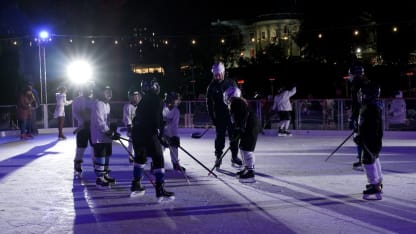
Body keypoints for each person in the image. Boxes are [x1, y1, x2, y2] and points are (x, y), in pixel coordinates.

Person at [130, 78, 174, 201]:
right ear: (154, 87)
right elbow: (156, 119)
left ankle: (136, 184)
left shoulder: (143, 101)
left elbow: (137, 119)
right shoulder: (157, 100)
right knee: (158, 158)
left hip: (137, 133)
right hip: (149, 133)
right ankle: (160, 189)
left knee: (140, 158)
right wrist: (161, 136)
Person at [206, 61, 242, 169]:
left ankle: (234, 156)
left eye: (219, 74)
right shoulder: (211, 87)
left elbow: (238, 97)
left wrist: (238, 114)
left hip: (231, 115)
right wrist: (213, 118)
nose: (217, 76)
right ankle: (218, 157)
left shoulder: (231, 83)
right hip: (219, 116)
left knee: (234, 137)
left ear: (223, 72)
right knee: (219, 138)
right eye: (215, 74)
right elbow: (209, 104)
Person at [353, 81, 384, 200]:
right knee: (373, 158)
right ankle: (377, 183)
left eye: (364, 94)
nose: (361, 96)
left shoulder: (372, 108)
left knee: (367, 160)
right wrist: (359, 130)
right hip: (371, 139)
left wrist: (362, 137)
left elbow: (372, 127)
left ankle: (375, 185)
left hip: (371, 139)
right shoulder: (370, 106)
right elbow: (365, 124)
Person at [223, 86, 260, 183]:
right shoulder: (236, 103)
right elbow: (238, 119)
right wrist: (237, 131)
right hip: (248, 126)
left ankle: (250, 171)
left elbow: (242, 117)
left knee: (247, 148)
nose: (227, 98)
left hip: (250, 126)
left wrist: (240, 128)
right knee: (243, 147)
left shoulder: (237, 102)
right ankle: (247, 168)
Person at [90, 85, 118, 188]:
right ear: (101, 92)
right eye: (106, 92)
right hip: (99, 136)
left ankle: (105, 174)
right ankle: (99, 178)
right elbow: (99, 121)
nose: (109, 94)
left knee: (106, 154)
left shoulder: (107, 104)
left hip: (106, 136)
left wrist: (113, 130)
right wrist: (108, 131)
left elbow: (107, 120)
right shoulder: (98, 103)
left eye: (110, 91)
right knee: (101, 155)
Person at [348, 65, 368, 169]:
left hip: (361, 114)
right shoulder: (363, 83)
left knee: (359, 136)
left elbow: (358, 102)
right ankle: (362, 158)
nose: (349, 77)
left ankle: (363, 159)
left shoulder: (357, 85)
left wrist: (354, 116)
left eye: (350, 74)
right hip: (362, 113)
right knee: (359, 136)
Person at [72, 84, 94, 176]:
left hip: (93, 128)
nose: (89, 91)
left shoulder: (95, 100)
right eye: (87, 89)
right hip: (82, 128)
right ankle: (77, 162)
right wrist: (83, 122)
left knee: (95, 146)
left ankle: (96, 163)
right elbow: (75, 113)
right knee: (81, 147)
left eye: (90, 89)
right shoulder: (77, 100)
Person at [162, 91, 186, 172]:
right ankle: (155, 164)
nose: (177, 102)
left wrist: (175, 137)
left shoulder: (176, 111)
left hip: (170, 135)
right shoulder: (161, 108)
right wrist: (162, 135)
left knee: (174, 146)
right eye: (176, 100)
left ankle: (175, 163)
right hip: (160, 134)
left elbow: (174, 126)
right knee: (158, 148)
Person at [123, 88, 142, 163]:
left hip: (140, 128)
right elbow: (126, 117)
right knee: (131, 142)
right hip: (132, 128)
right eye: (133, 96)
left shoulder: (141, 106)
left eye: (136, 96)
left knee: (140, 142)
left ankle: (139, 156)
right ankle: (131, 157)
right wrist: (129, 126)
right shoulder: (127, 106)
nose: (135, 98)